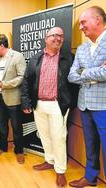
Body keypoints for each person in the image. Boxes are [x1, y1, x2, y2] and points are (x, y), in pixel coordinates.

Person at [21, 27, 74, 187]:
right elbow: (26, 81)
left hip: (59, 105)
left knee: (59, 138)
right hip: (39, 104)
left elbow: (75, 81)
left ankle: (60, 171)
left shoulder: (69, 58)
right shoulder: (36, 58)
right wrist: (25, 101)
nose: (58, 38)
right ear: (46, 38)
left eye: (61, 36)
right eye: (54, 36)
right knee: (44, 135)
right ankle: (50, 161)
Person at [68, 6, 106, 187]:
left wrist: (84, 72)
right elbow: (71, 75)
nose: (81, 27)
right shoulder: (82, 48)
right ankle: (90, 178)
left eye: (83, 22)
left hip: (104, 105)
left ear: (97, 20)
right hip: (84, 104)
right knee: (90, 144)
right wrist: (97, 71)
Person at [0, 34, 26, 164]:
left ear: (2, 46)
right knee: (1, 125)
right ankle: (2, 147)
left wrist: (4, 84)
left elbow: (22, 77)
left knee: (16, 127)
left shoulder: (17, 56)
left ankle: (19, 151)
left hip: (13, 99)